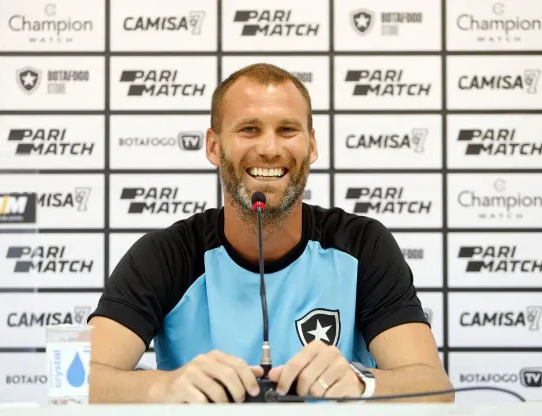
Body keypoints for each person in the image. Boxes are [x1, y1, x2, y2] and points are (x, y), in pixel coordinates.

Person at [86, 63, 454, 404]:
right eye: (249, 129)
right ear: (214, 146)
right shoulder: (165, 254)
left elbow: (436, 390)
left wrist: (362, 382)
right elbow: (75, 383)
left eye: (287, 130)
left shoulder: (362, 245)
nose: (269, 148)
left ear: (311, 145)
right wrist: (164, 385)